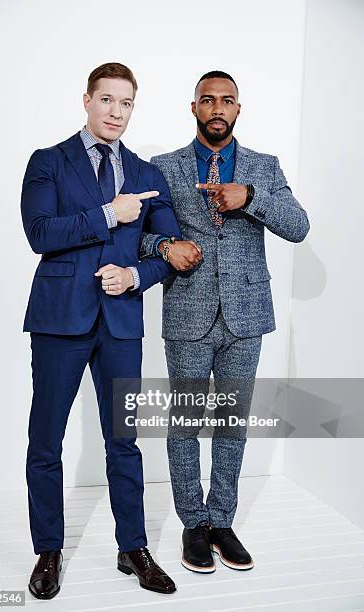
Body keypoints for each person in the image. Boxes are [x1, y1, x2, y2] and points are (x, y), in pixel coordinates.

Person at [20, 62, 195, 599]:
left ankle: (132, 548)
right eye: (107, 100)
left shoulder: (147, 174)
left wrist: (136, 274)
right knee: (45, 440)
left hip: (120, 326)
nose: (116, 112)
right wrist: (107, 214)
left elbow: (173, 251)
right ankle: (48, 550)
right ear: (87, 101)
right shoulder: (48, 162)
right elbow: (39, 232)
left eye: (126, 103)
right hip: (59, 320)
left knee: (124, 441)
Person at [139, 70, 310, 574]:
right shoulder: (163, 167)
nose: (217, 108)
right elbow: (139, 238)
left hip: (246, 315)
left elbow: (299, 227)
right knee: (187, 423)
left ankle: (222, 520)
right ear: (193, 107)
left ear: (238, 109)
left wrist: (250, 197)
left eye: (227, 101)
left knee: (232, 424)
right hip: (188, 312)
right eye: (208, 100)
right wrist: (168, 247)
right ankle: (193, 523)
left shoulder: (263, 166)